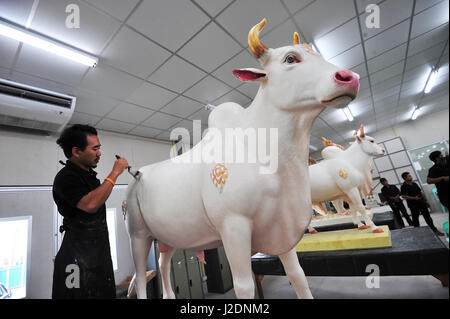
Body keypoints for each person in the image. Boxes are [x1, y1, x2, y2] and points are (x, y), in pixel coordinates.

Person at [52, 124, 129, 298]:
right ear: (77, 152)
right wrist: (115, 172)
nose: (99, 153)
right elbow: (90, 204)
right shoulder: (65, 178)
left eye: (99, 148)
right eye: (95, 149)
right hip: (75, 262)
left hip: (98, 256)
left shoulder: (91, 178)